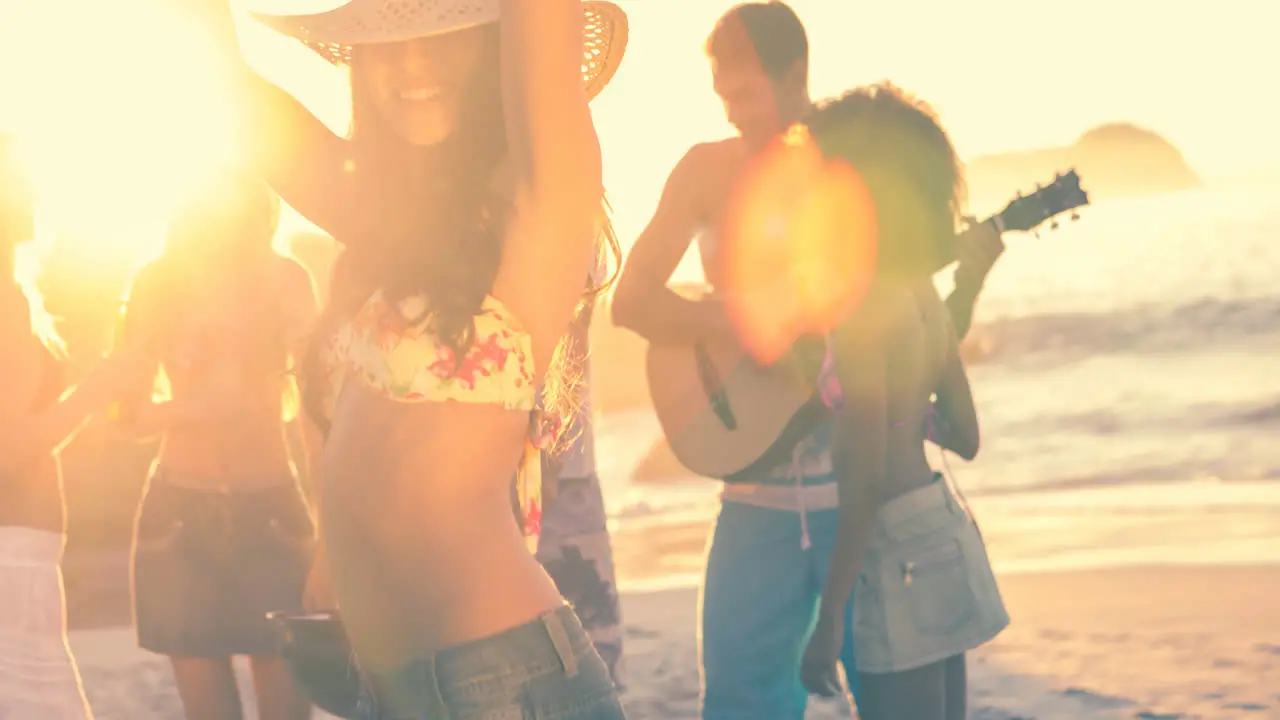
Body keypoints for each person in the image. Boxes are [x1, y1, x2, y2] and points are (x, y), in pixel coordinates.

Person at [190, 0, 631, 716]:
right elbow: (222, 85)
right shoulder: (378, 216)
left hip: (501, 685)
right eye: (386, 43)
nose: (411, 64)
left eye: (441, 39)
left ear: (493, 53)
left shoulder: (538, 203)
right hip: (390, 692)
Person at [610, 3, 1004, 718]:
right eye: (723, 98)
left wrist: (966, 281)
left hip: (862, 504)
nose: (733, 116)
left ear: (796, 76)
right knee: (738, 703)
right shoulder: (705, 170)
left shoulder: (850, 170)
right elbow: (629, 301)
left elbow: (910, 344)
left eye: (746, 96)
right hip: (755, 494)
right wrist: (743, 320)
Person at [797, 83, 1009, 720]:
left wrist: (828, 619)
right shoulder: (915, 289)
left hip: (894, 545)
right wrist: (899, 411)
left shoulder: (863, 309)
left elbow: (862, 479)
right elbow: (965, 436)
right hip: (941, 524)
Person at [115, 172, 319, 720]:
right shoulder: (158, 283)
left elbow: (321, 402)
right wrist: (193, 408)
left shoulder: (285, 280)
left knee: (287, 696)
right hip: (177, 517)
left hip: (270, 507)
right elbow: (123, 411)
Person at [0, 134, 147, 719]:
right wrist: (101, 386)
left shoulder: (17, 294)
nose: (37, 191)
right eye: (21, 178)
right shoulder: (5, 302)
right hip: (13, 561)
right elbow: (10, 450)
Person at [535, 250, 626, 688]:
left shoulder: (562, 198)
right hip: (491, 468)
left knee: (586, 660)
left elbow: (571, 328)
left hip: (555, 471)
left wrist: (547, 455)